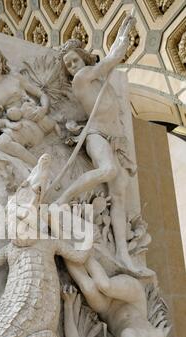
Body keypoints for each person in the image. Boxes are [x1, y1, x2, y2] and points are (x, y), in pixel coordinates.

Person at [57, 13, 146, 275]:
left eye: (75, 60)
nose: (72, 65)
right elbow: (114, 57)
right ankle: (64, 198)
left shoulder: (98, 80)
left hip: (115, 138)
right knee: (107, 170)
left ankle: (122, 253)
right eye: (68, 64)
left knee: (119, 193)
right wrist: (124, 31)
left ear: (83, 57)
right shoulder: (83, 77)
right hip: (96, 135)